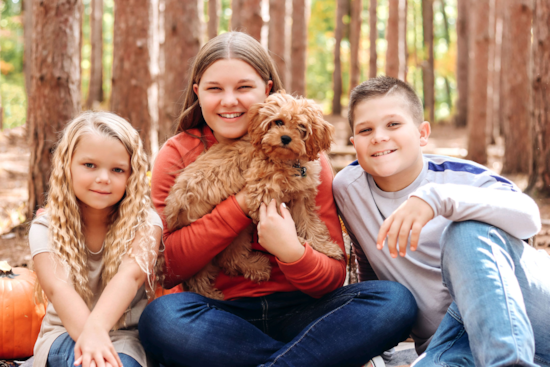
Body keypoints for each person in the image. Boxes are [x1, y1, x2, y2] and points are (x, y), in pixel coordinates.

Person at [138, 32, 417, 367]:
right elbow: (167, 268)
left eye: (244, 88)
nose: (230, 101)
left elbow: (331, 276)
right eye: (215, 89)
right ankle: (310, 360)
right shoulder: (178, 152)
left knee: (395, 302)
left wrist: (292, 251)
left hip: (305, 312)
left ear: (267, 90)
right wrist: (241, 207)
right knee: (161, 319)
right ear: (197, 92)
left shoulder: (308, 159)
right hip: (220, 314)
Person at [333, 75, 550, 366]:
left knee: (466, 231)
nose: (379, 136)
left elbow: (529, 218)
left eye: (393, 124)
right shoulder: (348, 188)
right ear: (353, 143)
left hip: (530, 318)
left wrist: (436, 199)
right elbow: (370, 265)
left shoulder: (461, 177)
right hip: (451, 344)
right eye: (365, 130)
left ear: (423, 133)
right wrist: (375, 349)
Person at [30, 111, 163, 367]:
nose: (103, 178)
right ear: (67, 164)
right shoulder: (46, 227)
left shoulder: (145, 224)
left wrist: (98, 335)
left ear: (131, 175)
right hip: (63, 335)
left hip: (124, 338)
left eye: (117, 169)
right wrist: (92, 340)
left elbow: (129, 277)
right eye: (90, 165)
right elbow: (59, 290)